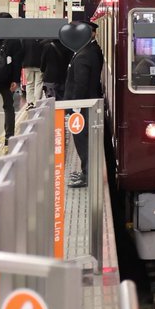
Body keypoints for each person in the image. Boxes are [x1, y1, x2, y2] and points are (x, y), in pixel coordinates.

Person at [63, 21, 104, 187]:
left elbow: (81, 83)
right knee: (85, 139)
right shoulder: (90, 51)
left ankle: (88, 175)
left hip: (82, 105)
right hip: (86, 103)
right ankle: (86, 172)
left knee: (82, 140)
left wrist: (75, 106)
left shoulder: (84, 54)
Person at [0, 12, 23, 152]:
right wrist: (16, 80)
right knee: (9, 108)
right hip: (7, 80)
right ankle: (9, 138)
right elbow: (17, 62)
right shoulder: (14, 40)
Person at [20, 37, 43, 108]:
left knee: (29, 83)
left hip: (27, 64)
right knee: (38, 83)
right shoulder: (42, 39)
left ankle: (30, 102)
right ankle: (37, 102)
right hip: (40, 64)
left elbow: (22, 51)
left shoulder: (25, 38)